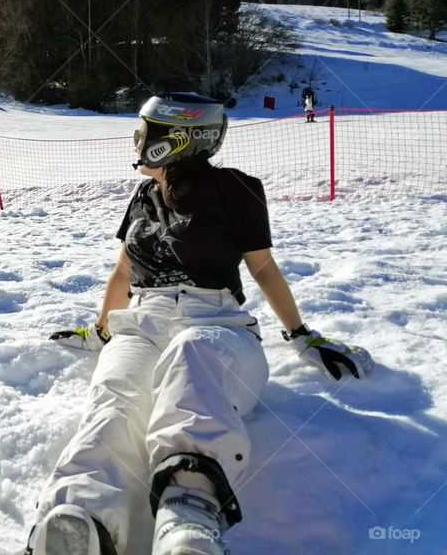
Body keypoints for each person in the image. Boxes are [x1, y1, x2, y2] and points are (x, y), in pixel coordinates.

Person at [25, 93, 373, 555]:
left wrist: (301, 334)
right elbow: (124, 273)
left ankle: (188, 513)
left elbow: (263, 269)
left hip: (217, 323)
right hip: (144, 321)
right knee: (115, 394)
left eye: (145, 133)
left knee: (194, 356)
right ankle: (79, 518)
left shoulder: (235, 188)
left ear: (178, 140)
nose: (136, 141)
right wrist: (101, 331)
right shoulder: (143, 195)